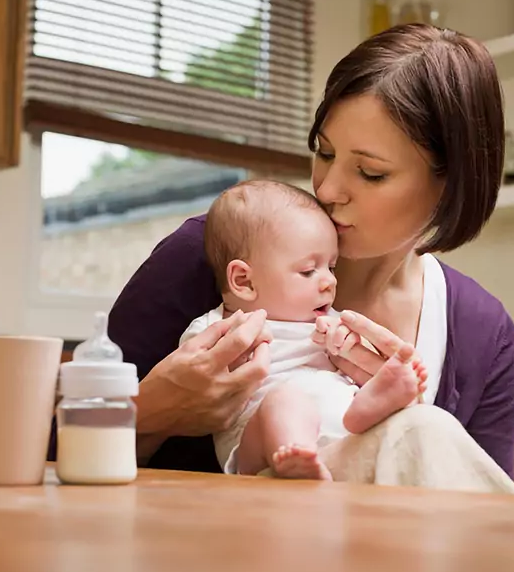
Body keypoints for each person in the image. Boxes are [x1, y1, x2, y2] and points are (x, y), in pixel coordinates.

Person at [74, 23, 514, 483]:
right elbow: (56, 453)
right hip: (211, 549)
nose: (327, 189)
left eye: (370, 173)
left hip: (398, 553)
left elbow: (478, 534)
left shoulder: (484, 337)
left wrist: (391, 420)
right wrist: (151, 412)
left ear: (450, 184)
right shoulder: (212, 256)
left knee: (424, 428)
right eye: (324, 153)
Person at [181, 179, 428, 480]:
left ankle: (369, 406)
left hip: (343, 432)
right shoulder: (216, 329)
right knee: (285, 401)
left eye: (332, 267)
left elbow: (355, 359)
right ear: (244, 281)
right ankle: (295, 455)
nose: (329, 282)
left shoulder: (330, 320)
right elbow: (194, 380)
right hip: (262, 448)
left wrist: (349, 345)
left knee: (349, 392)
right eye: (309, 270)